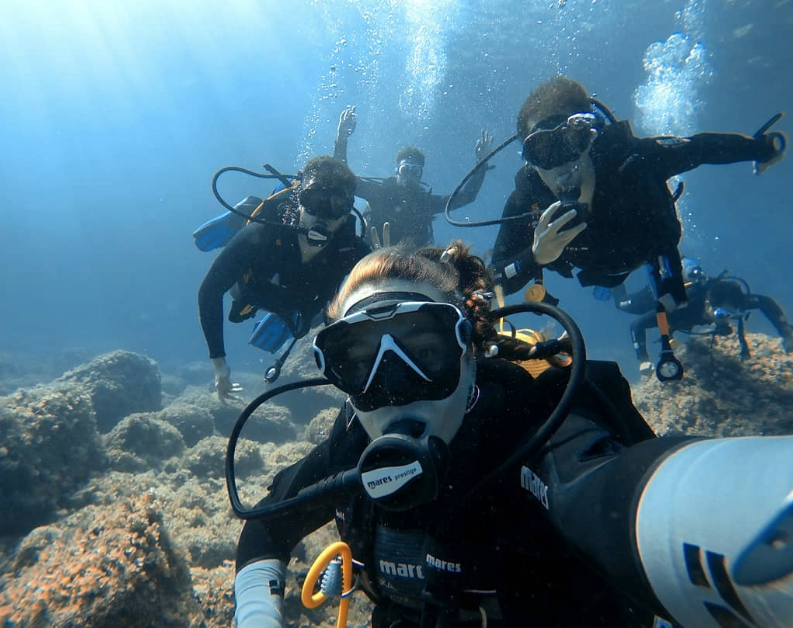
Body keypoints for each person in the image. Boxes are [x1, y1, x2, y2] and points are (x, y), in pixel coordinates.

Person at [231, 242, 793, 627]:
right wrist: (257, 612)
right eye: (361, 362)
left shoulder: (535, 421)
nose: (396, 389)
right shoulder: (352, 442)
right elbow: (266, 528)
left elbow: (614, 494)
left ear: (471, 350)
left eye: (424, 352)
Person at [490, 75, 787, 311]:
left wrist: (762, 149)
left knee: (669, 283)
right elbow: (493, 280)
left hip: (646, 246)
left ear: (591, 137)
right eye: (542, 151)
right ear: (530, 161)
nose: (561, 165)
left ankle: (666, 272)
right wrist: (535, 256)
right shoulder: (528, 198)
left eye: (571, 140)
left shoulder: (634, 161)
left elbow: (701, 148)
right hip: (596, 267)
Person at [198, 155, 370, 400]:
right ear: (299, 200)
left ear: (346, 213)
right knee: (240, 294)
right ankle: (244, 212)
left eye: (335, 204)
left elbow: (389, 277)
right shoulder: (261, 234)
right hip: (254, 289)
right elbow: (210, 292)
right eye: (314, 200)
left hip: (302, 301)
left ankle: (285, 317)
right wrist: (219, 364)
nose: (322, 215)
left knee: (308, 320)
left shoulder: (351, 250)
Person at [333, 105, 494, 248]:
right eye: (405, 170)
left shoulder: (426, 203)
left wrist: (482, 164)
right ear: (397, 171)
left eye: (415, 172)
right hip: (371, 257)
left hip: (408, 267)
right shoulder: (379, 192)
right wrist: (342, 138)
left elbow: (467, 196)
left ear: (420, 176)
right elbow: (343, 179)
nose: (409, 176)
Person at [615, 257, 793, 372]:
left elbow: (765, 302)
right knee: (621, 304)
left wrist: (786, 332)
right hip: (652, 298)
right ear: (708, 304)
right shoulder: (680, 306)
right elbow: (637, 325)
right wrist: (644, 360)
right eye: (722, 313)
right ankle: (612, 276)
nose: (726, 318)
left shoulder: (733, 297)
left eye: (731, 313)